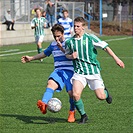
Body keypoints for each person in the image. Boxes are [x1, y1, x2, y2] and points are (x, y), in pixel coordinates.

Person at [65, 17, 125, 124]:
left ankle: (106, 93)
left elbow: (105, 47)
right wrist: (71, 56)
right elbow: (67, 54)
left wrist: (117, 59)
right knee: (75, 94)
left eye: (78, 26)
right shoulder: (70, 41)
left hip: (93, 72)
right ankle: (83, 115)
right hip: (79, 72)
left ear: (83, 27)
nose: (75, 28)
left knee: (101, 97)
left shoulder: (90, 38)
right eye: (74, 26)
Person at [21, 24, 76, 123]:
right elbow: (44, 54)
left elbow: (75, 55)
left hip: (70, 72)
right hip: (58, 71)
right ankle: (44, 104)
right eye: (55, 36)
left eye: (59, 36)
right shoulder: (53, 45)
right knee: (50, 84)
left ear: (63, 34)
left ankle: (72, 112)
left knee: (71, 93)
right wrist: (31, 58)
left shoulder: (69, 43)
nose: (57, 38)